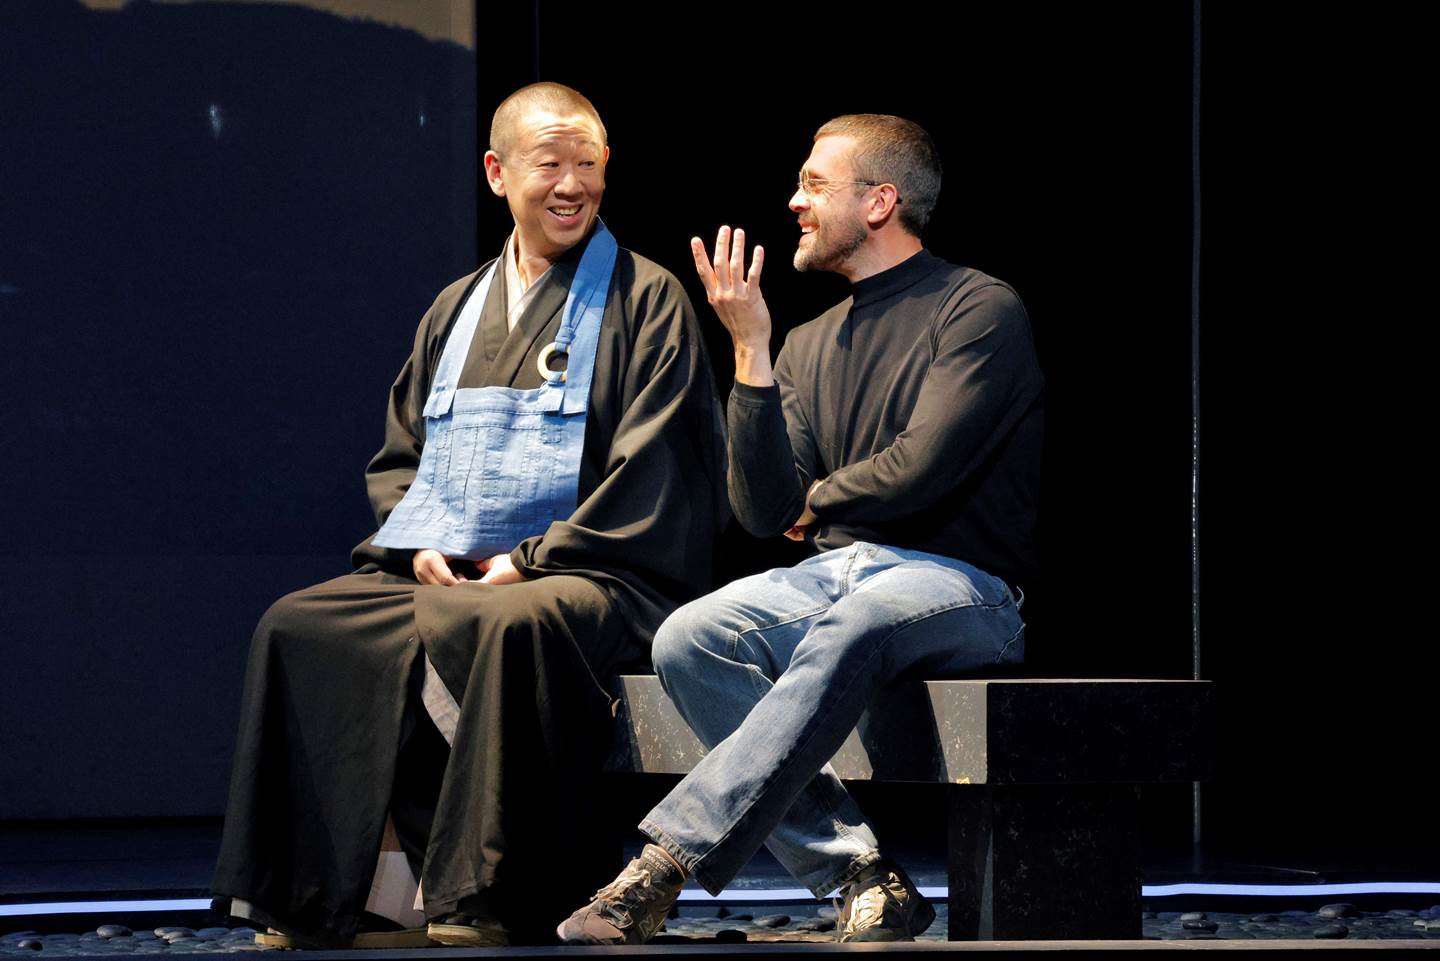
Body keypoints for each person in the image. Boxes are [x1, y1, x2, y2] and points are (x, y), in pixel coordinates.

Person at [210, 82, 726, 948]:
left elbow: (659, 466)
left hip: (594, 570)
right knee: (301, 623)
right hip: (455, 568)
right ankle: (316, 889)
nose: (572, 185)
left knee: (510, 622)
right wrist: (419, 544)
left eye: (588, 164)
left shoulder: (648, 299)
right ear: (496, 172)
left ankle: (474, 893)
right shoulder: (454, 308)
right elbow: (403, 458)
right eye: (549, 164)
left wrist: (530, 557)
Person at [558, 114, 1043, 944]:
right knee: (690, 635)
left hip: (962, 586)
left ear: (881, 200)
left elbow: (921, 466)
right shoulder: (810, 342)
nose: (795, 202)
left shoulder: (978, 308)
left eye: (816, 185)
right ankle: (859, 870)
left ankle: (664, 861)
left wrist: (815, 500)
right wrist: (751, 350)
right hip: (835, 574)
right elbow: (760, 510)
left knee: (861, 613)